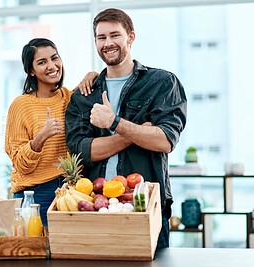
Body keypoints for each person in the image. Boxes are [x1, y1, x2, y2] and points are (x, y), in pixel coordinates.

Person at [65, 8, 187, 248]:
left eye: (115, 35)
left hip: (144, 205)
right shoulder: (84, 95)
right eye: (101, 37)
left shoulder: (161, 83)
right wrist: (137, 132)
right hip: (94, 206)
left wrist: (114, 123)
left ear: (131, 36)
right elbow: (83, 152)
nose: (108, 43)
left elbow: (164, 141)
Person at [5, 38, 96, 227]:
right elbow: (21, 165)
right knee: (38, 253)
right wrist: (40, 139)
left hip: (72, 189)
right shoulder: (20, 105)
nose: (52, 66)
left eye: (55, 58)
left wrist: (92, 74)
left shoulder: (69, 99)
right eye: (42, 62)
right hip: (36, 194)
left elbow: (90, 85)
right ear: (31, 71)